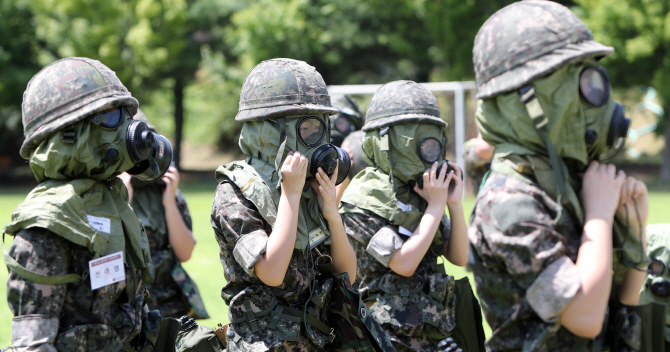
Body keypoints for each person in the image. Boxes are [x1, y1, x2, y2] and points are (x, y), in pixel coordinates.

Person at [468, 1, 650, 350]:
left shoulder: (564, 183)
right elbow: (584, 317)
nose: (592, 101)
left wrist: (633, 233)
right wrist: (599, 214)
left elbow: (620, 309)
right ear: (525, 100)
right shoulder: (508, 203)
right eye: (575, 81)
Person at [210, 58, 392, 351]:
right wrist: (290, 197)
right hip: (265, 343)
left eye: (318, 127)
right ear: (268, 130)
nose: (314, 139)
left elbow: (347, 275)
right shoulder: (235, 191)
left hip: (319, 340)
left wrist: (332, 213)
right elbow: (272, 272)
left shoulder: (310, 186)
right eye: (304, 128)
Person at [4, 57, 173, 351]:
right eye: (110, 116)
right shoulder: (50, 223)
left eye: (124, 114)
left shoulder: (111, 202)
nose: (129, 129)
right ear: (70, 132)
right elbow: (33, 345)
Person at [339, 80, 475, 352]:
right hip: (385, 338)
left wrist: (454, 205)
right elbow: (404, 263)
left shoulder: (421, 191)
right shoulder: (362, 200)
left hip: (433, 332)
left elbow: (459, 257)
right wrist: (435, 207)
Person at [118, 109, 209, 320]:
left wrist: (169, 202)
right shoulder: (109, 192)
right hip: (125, 305)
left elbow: (185, 252)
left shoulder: (166, 191)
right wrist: (124, 200)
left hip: (167, 307)